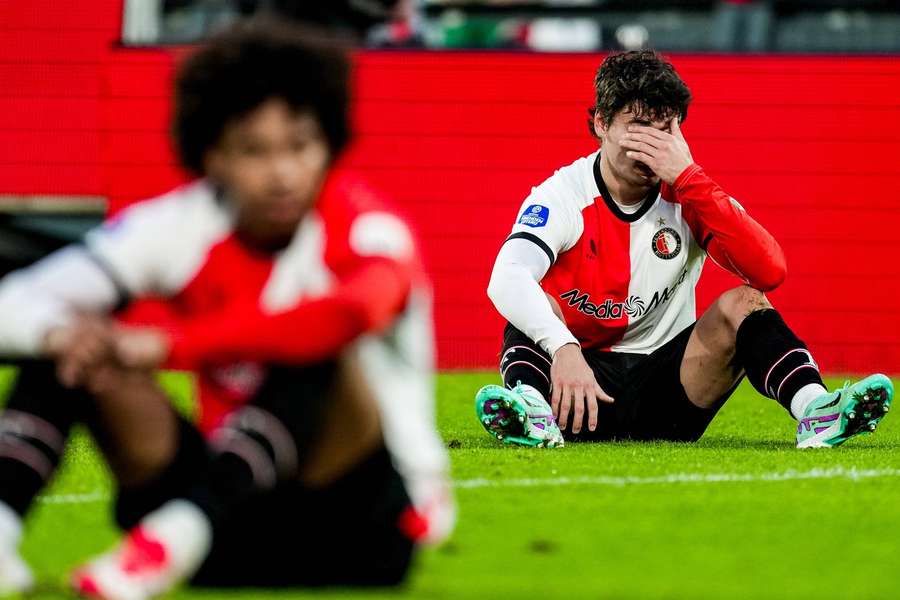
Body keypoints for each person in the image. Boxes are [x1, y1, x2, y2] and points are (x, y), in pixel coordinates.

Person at [0, 20, 453, 599]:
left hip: (354, 532)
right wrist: (57, 333)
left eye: (300, 145)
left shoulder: (369, 230)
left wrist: (175, 345)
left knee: (319, 347)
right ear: (213, 155)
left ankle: (169, 541)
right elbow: (17, 298)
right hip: (231, 518)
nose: (283, 172)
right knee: (73, 345)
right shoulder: (179, 225)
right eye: (254, 151)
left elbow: (347, 315)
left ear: (329, 145)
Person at [474, 49, 892, 449]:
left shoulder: (689, 193)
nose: (651, 145)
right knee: (535, 303)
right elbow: (505, 278)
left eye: (665, 128)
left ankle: (816, 411)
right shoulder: (563, 195)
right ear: (601, 122)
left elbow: (770, 271)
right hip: (576, 396)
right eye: (637, 125)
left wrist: (690, 177)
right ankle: (531, 411)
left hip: (669, 396)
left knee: (744, 301)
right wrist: (564, 350)